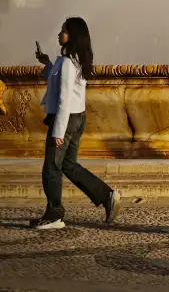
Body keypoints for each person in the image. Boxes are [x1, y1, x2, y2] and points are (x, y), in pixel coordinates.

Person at [32, 17, 121, 230]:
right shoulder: (76, 60)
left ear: (72, 35)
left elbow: (64, 98)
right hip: (77, 118)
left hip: (65, 119)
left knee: (51, 168)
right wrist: (46, 63)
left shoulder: (67, 63)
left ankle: (54, 214)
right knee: (68, 165)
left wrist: (58, 131)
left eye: (63, 30)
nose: (59, 34)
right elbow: (61, 83)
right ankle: (106, 194)